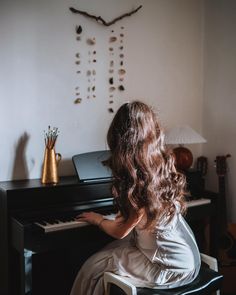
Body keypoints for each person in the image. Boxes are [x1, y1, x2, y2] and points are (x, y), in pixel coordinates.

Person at [70, 101, 201, 295]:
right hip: (187, 258)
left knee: (92, 267)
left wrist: (98, 219)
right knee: (109, 252)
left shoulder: (140, 184)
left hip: (168, 269)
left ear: (120, 140)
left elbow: (120, 231)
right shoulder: (161, 167)